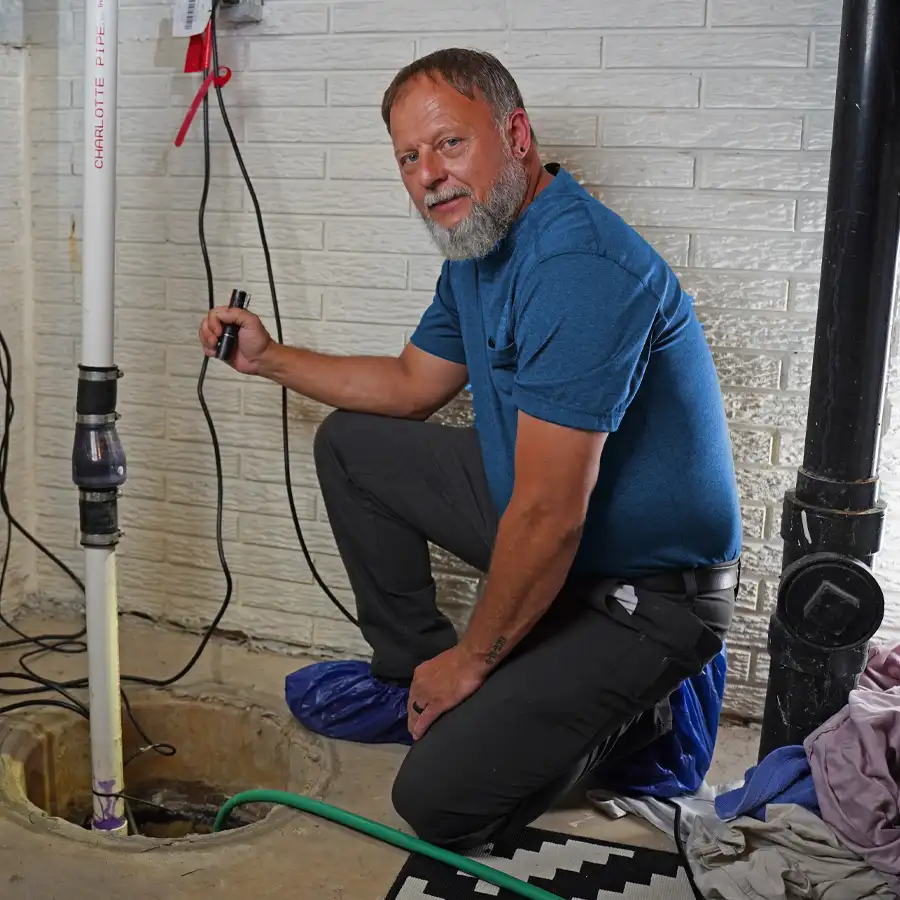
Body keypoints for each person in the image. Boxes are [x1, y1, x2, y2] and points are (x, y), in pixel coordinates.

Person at [198, 48, 742, 851]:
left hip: (648, 589)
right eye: (410, 157)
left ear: (515, 134)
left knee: (440, 798)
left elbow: (551, 515)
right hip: (553, 519)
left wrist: (472, 662)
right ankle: (409, 676)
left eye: (450, 144)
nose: (428, 174)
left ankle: (645, 720)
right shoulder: (481, 248)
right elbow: (412, 383)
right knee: (353, 445)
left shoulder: (577, 267)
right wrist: (268, 358)